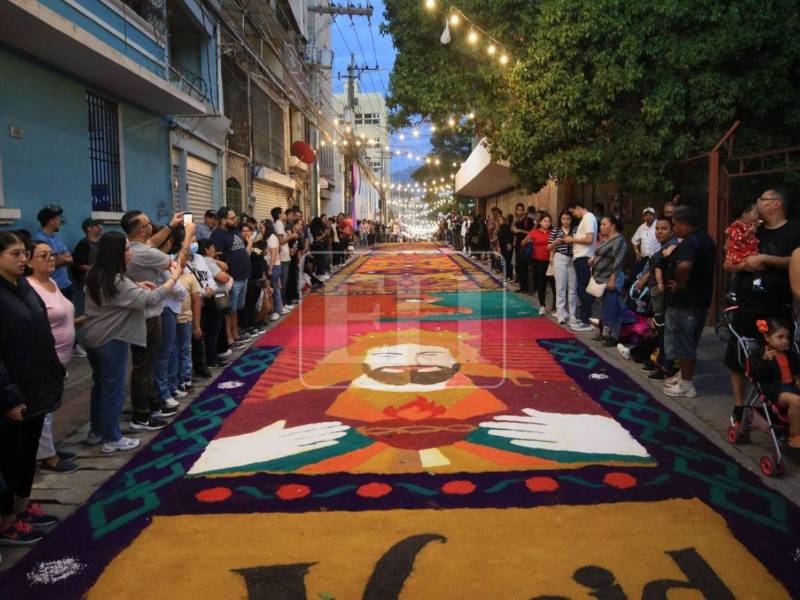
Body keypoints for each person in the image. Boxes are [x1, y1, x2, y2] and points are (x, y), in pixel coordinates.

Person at [83, 232, 183, 451]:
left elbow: (122, 292)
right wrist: (173, 278)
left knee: (100, 385)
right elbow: (149, 300)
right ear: (117, 253)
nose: (131, 253)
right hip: (111, 339)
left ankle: (97, 431)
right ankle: (112, 438)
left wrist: (138, 284)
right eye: (127, 249)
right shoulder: (116, 281)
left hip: (93, 337)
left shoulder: (97, 273)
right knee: (114, 388)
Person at [0, 232, 65, 545]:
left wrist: (53, 372)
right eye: (14, 254)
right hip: (14, 392)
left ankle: (23, 507)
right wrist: (9, 395)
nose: (22, 258)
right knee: (11, 457)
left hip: (36, 384)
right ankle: (6, 520)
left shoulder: (23, 287)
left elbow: (41, 331)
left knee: (27, 455)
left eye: (23, 252)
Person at [726, 189, 800, 422]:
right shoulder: (749, 229)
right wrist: (744, 266)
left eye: (762, 200)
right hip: (747, 307)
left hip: (777, 308)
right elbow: (728, 263)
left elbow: (795, 260)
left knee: (780, 356)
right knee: (739, 358)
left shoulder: (794, 231)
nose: (757, 204)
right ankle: (740, 405)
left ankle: (781, 402)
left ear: (776, 204)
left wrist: (765, 259)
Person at [120, 210, 187, 430]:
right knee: (145, 365)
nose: (152, 226)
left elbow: (151, 242)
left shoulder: (134, 246)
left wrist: (170, 225)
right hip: (147, 315)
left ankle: (151, 404)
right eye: (149, 223)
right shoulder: (145, 254)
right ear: (142, 229)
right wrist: (188, 237)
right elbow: (176, 263)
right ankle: (142, 414)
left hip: (146, 312)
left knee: (147, 362)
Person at [26, 242, 79, 474]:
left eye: (52, 254)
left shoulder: (53, 282)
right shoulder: (30, 288)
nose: (50, 259)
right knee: (44, 409)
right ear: (29, 261)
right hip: (45, 360)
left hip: (62, 360)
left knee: (52, 406)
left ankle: (47, 448)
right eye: (43, 255)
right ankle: (48, 457)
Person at [662, 206, 716, 398]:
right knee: (690, 341)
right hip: (700, 300)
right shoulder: (707, 240)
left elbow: (684, 265)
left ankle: (687, 384)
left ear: (685, 224)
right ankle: (683, 375)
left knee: (684, 343)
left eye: (675, 225)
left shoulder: (690, 243)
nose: (674, 228)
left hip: (686, 302)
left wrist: (680, 284)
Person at [748, 317, 800, 449]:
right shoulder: (760, 354)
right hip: (775, 390)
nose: (785, 341)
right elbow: (756, 376)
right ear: (767, 337)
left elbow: (797, 370)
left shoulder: (790, 354)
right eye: (780, 337)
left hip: (792, 386)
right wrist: (765, 361)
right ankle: (794, 435)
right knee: (796, 401)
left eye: (787, 337)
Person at [211, 207, 253, 348]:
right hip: (232, 278)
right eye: (232, 218)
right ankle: (230, 338)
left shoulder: (234, 230)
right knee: (230, 310)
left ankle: (236, 333)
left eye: (235, 217)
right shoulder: (217, 235)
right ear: (223, 220)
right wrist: (227, 277)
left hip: (243, 276)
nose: (235, 220)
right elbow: (217, 259)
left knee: (237, 308)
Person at [189, 240, 231, 369]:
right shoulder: (202, 261)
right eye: (212, 247)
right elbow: (224, 277)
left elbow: (220, 271)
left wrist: (214, 260)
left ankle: (211, 357)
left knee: (212, 330)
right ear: (207, 249)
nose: (215, 249)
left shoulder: (202, 259)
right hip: (205, 301)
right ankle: (209, 359)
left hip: (209, 296)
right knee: (210, 331)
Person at [590, 215, 628, 346]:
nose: (601, 227)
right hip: (602, 278)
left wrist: (613, 278)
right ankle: (605, 333)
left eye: (604, 224)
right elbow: (600, 255)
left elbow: (619, 261)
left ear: (613, 225)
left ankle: (614, 336)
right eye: (601, 224)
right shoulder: (606, 239)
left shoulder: (619, 240)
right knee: (606, 307)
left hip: (613, 278)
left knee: (614, 307)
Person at [565, 202, 598, 331]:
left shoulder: (589, 217)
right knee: (581, 288)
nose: (574, 215)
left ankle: (586, 320)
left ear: (578, 207)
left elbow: (589, 239)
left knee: (583, 289)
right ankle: (584, 317)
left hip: (584, 257)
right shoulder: (586, 218)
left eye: (573, 212)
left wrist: (572, 240)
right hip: (580, 257)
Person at [724, 200, 762, 300]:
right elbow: (737, 239)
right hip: (739, 253)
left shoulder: (749, 225)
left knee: (755, 267)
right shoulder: (735, 226)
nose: (757, 216)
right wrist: (748, 233)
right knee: (740, 272)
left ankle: (756, 284)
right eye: (755, 213)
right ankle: (732, 292)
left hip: (748, 252)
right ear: (745, 214)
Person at [32, 208, 73, 300]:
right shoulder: (39, 239)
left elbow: (69, 257)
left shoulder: (56, 236)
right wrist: (60, 259)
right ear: (51, 221)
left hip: (65, 284)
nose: (59, 222)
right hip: (51, 286)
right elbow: (47, 262)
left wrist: (60, 258)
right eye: (57, 219)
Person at [549, 210, 578, 326]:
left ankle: (573, 314)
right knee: (560, 287)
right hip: (560, 258)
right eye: (563, 219)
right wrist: (555, 242)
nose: (565, 221)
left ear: (571, 220)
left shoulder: (575, 230)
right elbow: (548, 247)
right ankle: (560, 313)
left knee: (572, 288)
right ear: (560, 220)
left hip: (573, 259)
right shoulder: (555, 231)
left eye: (568, 219)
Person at [523, 213, 552, 314]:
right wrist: (528, 241)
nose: (547, 223)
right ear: (540, 222)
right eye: (545, 221)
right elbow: (523, 242)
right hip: (538, 261)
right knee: (541, 283)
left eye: (549, 221)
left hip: (551, 261)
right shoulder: (534, 232)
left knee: (553, 283)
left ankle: (555, 306)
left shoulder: (552, 232)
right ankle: (542, 305)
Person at [265, 218, 288, 320]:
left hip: (274, 266)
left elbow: (274, 253)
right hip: (274, 265)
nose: (260, 229)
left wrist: (270, 268)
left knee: (275, 288)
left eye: (261, 227)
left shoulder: (271, 238)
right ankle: (279, 308)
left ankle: (277, 310)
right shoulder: (270, 237)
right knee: (276, 287)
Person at [72, 218, 102, 292]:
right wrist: (95, 271)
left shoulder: (103, 242)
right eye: (96, 225)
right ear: (89, 228)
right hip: (90, 281)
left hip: (104, 280)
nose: (100, 227)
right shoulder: (83, 244)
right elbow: (79, 264)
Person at [511, 203, 534, 292]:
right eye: (518, 209)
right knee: (519, 267)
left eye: (521, 209)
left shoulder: (528, 220)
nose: (519, 211)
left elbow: (531, 233)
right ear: (516, 211)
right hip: (517, 245)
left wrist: (519, 230)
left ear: (524, 210)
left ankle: (527, 288)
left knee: (524, 267)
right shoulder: (517, 220)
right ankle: (522, 286)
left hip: (525, 246)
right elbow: (513, 231)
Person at [631, 207, 659, 276]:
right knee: (637, 275)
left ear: (654, 216)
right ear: (643, 217)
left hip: (656, 258)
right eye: (646, 215)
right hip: (644, 258)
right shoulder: (641, 227)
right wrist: (637, 252)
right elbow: (634, 240)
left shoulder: (658, 225)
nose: (648, 217)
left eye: (651, 215)